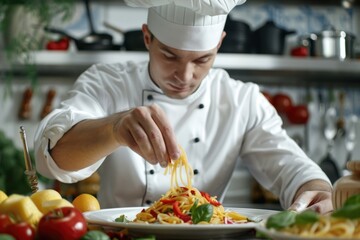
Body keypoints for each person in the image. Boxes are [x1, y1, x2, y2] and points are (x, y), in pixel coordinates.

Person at [34, 0, 333, 213]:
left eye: (202, 60)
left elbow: (290, 166)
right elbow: (53, 157)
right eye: (170, 56)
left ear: (219, 45)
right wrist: (114, 128)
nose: (185, 76)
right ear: (147, 38)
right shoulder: (108, 83)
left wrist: (316, 190)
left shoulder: (242, 100)